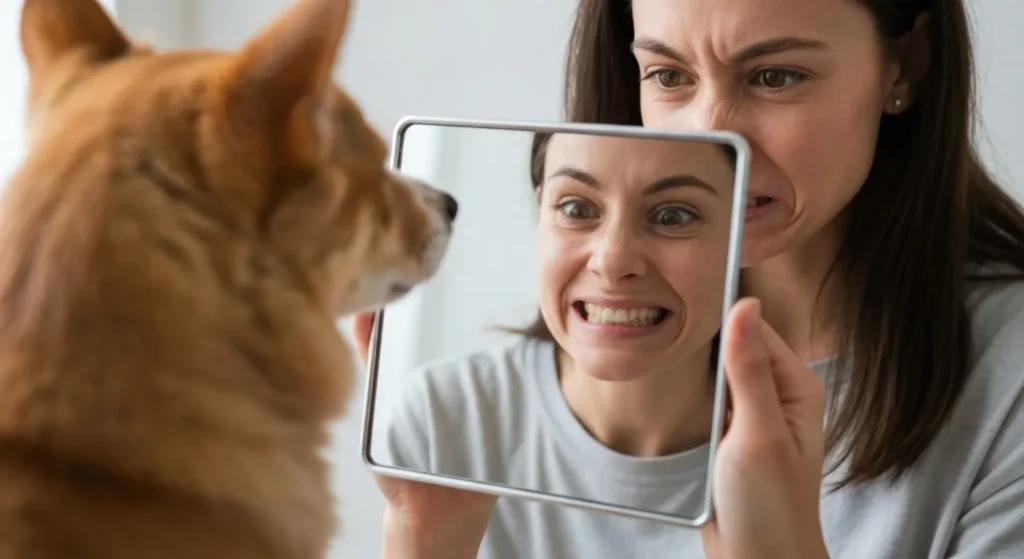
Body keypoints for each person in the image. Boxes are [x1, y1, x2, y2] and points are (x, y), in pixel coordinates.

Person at [356, 0, 1024, 557]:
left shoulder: (1005, 382)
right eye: (669, 76)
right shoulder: (464, 418)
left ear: (905, 66)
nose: (709, 135)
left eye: (775, 77)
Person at [375, 131, 738, 555]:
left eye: (674, 216)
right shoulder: (448, 416)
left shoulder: (814, 458)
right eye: (576, 208)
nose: (612, 261)